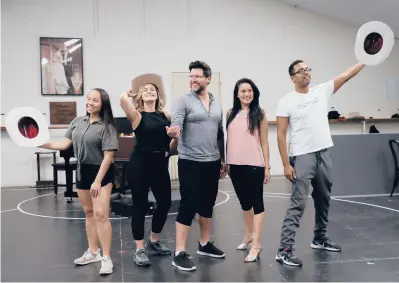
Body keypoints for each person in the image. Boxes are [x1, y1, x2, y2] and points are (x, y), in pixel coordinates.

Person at [275, 60, 365, 267]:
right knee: (298, 203)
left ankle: (320, 238)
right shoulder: (286, 101)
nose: (306, 73)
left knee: (323, 198)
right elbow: (280, 135)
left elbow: (346, 74)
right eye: (301, 71)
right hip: (302, 156)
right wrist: (286, 165)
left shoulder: (322, 91)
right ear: (292, 77)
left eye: (308, 69)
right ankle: (284, 250)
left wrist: (365, 61)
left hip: (323, 153)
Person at [40, 88, 119, 274]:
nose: (90, 102)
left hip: (100, 171)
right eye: (89, 99)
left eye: (95, 100)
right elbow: (64, 144)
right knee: (89, 212)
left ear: (103, 104)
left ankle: (106, 257)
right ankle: (93, 252)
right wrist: (39, 142)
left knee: (101, 214)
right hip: (82, 169)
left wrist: (98, 181)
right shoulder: (77, 122)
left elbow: (109, 157)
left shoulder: (107, 127)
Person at [166, 60, 227, 271]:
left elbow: (220, 133)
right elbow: (177, 123)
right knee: (188, 204)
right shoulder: (183, 101)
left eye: (197, 76)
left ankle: (204, 244)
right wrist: (174, 131)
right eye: (191, 76)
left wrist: (222, 158)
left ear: (208, 79)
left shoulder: (217, 103)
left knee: (208, 204)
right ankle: (179, 252)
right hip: (190, 161)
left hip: (212, 161)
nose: (193, 79)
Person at [120, 74, 174, 267]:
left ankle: (154, 240)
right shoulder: (137, 116)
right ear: (140, 96)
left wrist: (175, 136)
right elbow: (122, 101)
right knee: (140, 206)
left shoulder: (165, 115)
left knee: (165, 202)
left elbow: (172, 143)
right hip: (140, 165)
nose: (150, 92)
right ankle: (139, 248)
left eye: (153, 90)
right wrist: (128, 93)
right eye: (145, 90)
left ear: (158, 95)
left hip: (160, 163)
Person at [225, 78, 271, 263]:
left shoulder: (259, 113)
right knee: (244, 203)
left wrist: (267, 166)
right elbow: (229, 139)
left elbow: (265, 142)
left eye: (249, 90)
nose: (246, 94)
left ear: (254, 93)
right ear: (237, 94)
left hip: (254, 165)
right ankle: (248, 236)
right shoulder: (230, 113)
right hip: (234, 165)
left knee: (256, 203)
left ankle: (257, 244)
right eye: (243, 91)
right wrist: (226, 162)